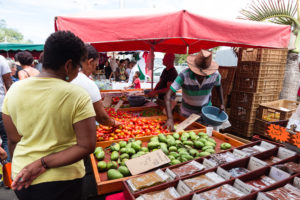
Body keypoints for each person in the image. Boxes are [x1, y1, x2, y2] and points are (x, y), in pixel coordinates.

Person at [2, 31, 96, 200]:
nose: (77, 72)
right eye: (77, 67)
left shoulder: (14, 90)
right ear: (68, 65)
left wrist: (22, 165)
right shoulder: (77, 95)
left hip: (23, 178)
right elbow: (86, 146)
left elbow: (13, 140)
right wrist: (42, 164)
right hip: (63, 180)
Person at [164, 50, 224, 131]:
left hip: (205, 114)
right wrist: (170, 118)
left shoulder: (215, 75)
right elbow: (167, 96)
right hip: (186, 114)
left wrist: (222, 103)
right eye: (198, 74)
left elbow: (218, 86)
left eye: (203, 74)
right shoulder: (184, 75)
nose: (201, 76)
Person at [72, 44, 121, 127]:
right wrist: (114, 123)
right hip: (79, 133)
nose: (95, 69)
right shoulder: (87, 83)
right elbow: (102, 117)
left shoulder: (66, 78)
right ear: (90, 62)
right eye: (95, 65)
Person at [0, 55, 12, 162]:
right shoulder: (1, 59)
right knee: (6, 139)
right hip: (1, 107)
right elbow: (8, 82)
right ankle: (8, 175)